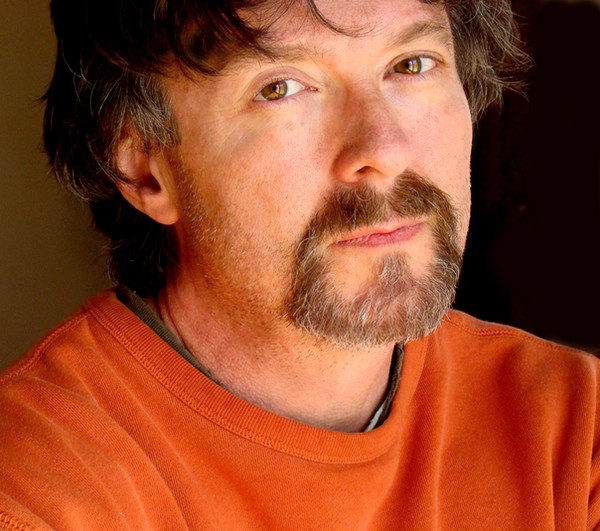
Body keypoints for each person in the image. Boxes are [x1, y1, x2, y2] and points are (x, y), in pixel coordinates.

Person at [0, 0, 598, 529]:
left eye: (411, 64)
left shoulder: (572, 429)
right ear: (144, 169)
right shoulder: (36, 494)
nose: (384, 150)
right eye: (281, 87)